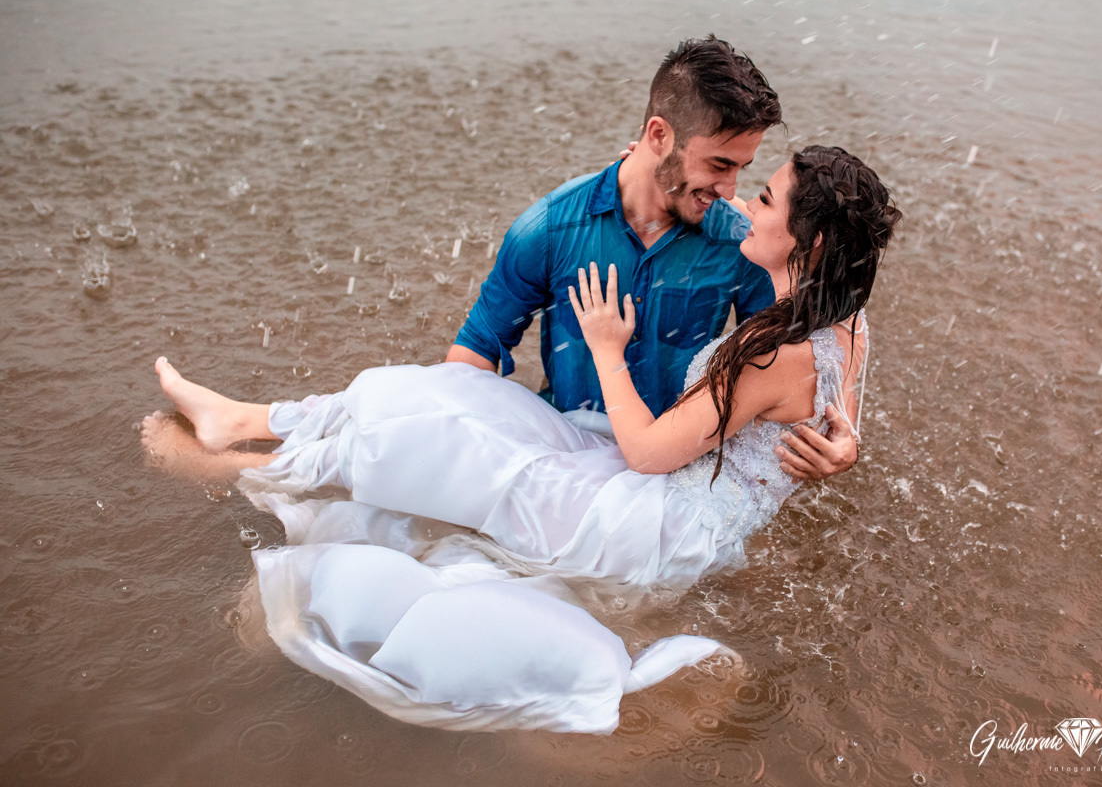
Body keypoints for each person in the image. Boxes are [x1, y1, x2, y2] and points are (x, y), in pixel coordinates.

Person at [141, 145, 900, 733]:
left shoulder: (770, 351)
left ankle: (248, 442)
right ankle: (250, 423)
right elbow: (837, 417)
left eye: (765, 197)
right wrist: (846, 449)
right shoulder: (849, 324)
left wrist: (606, 347)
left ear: (812, 236)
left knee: (460, 447)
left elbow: (649, 452)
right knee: (456, 406)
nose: (744, 202)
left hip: (653, 522)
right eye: (738, 176)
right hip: (684, 504)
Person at [447, 35, 859, 482]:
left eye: (742, 167)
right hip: (560, 462)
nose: (730, 190)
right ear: (659, 135)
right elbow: (477, 350)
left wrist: (846, 436)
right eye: (720, 165)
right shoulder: (549, 230)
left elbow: (807, 339)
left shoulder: (740, 245)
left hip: (674, 472)